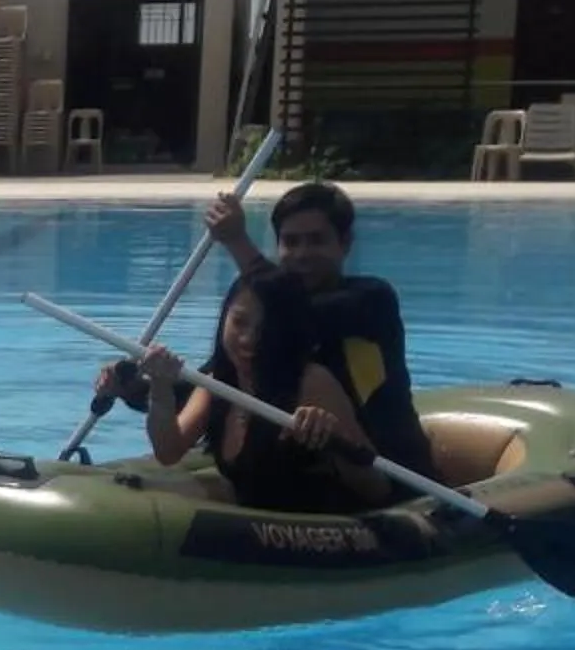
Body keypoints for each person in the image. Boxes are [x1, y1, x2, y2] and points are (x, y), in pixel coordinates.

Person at [97, 179, 435, 480]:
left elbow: (289, 311)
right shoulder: (257, 338)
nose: (302, 254)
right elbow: (205, 392)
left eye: (316, 240)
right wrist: (137, 386)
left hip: (392, 474)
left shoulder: (371, 300)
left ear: (345, 243)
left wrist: (236, 240)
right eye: (290, 242)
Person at [137, 268, 394, 514]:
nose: (248, 340)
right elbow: (168, 451)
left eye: (266, 330)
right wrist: (160, 389)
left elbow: (378, 488)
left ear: (286, 333)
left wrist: (335, 439)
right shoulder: (217, 383)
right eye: (239, 322)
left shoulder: (311, 383)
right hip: (250, 525)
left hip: (319, 527)